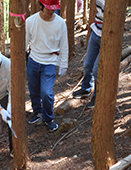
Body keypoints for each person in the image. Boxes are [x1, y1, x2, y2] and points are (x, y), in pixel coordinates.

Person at [25, 0, 69, 131]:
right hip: (33, 59)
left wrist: (63, 64)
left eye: (53, 8)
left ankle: (48, 118)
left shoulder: (60, 23)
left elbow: (64, 45)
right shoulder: (30, 21)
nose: (51, 11)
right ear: (40, 6)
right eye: (48, 8)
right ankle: (37, 112)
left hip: (50, 62)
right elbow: (25, 41)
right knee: (33, 90)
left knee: (47, 93)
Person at [72, 0, 105, 108]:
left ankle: (98, 95)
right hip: (96, 31)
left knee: (97, 70)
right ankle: (86, 88)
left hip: (108, 35)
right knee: (87, 65)